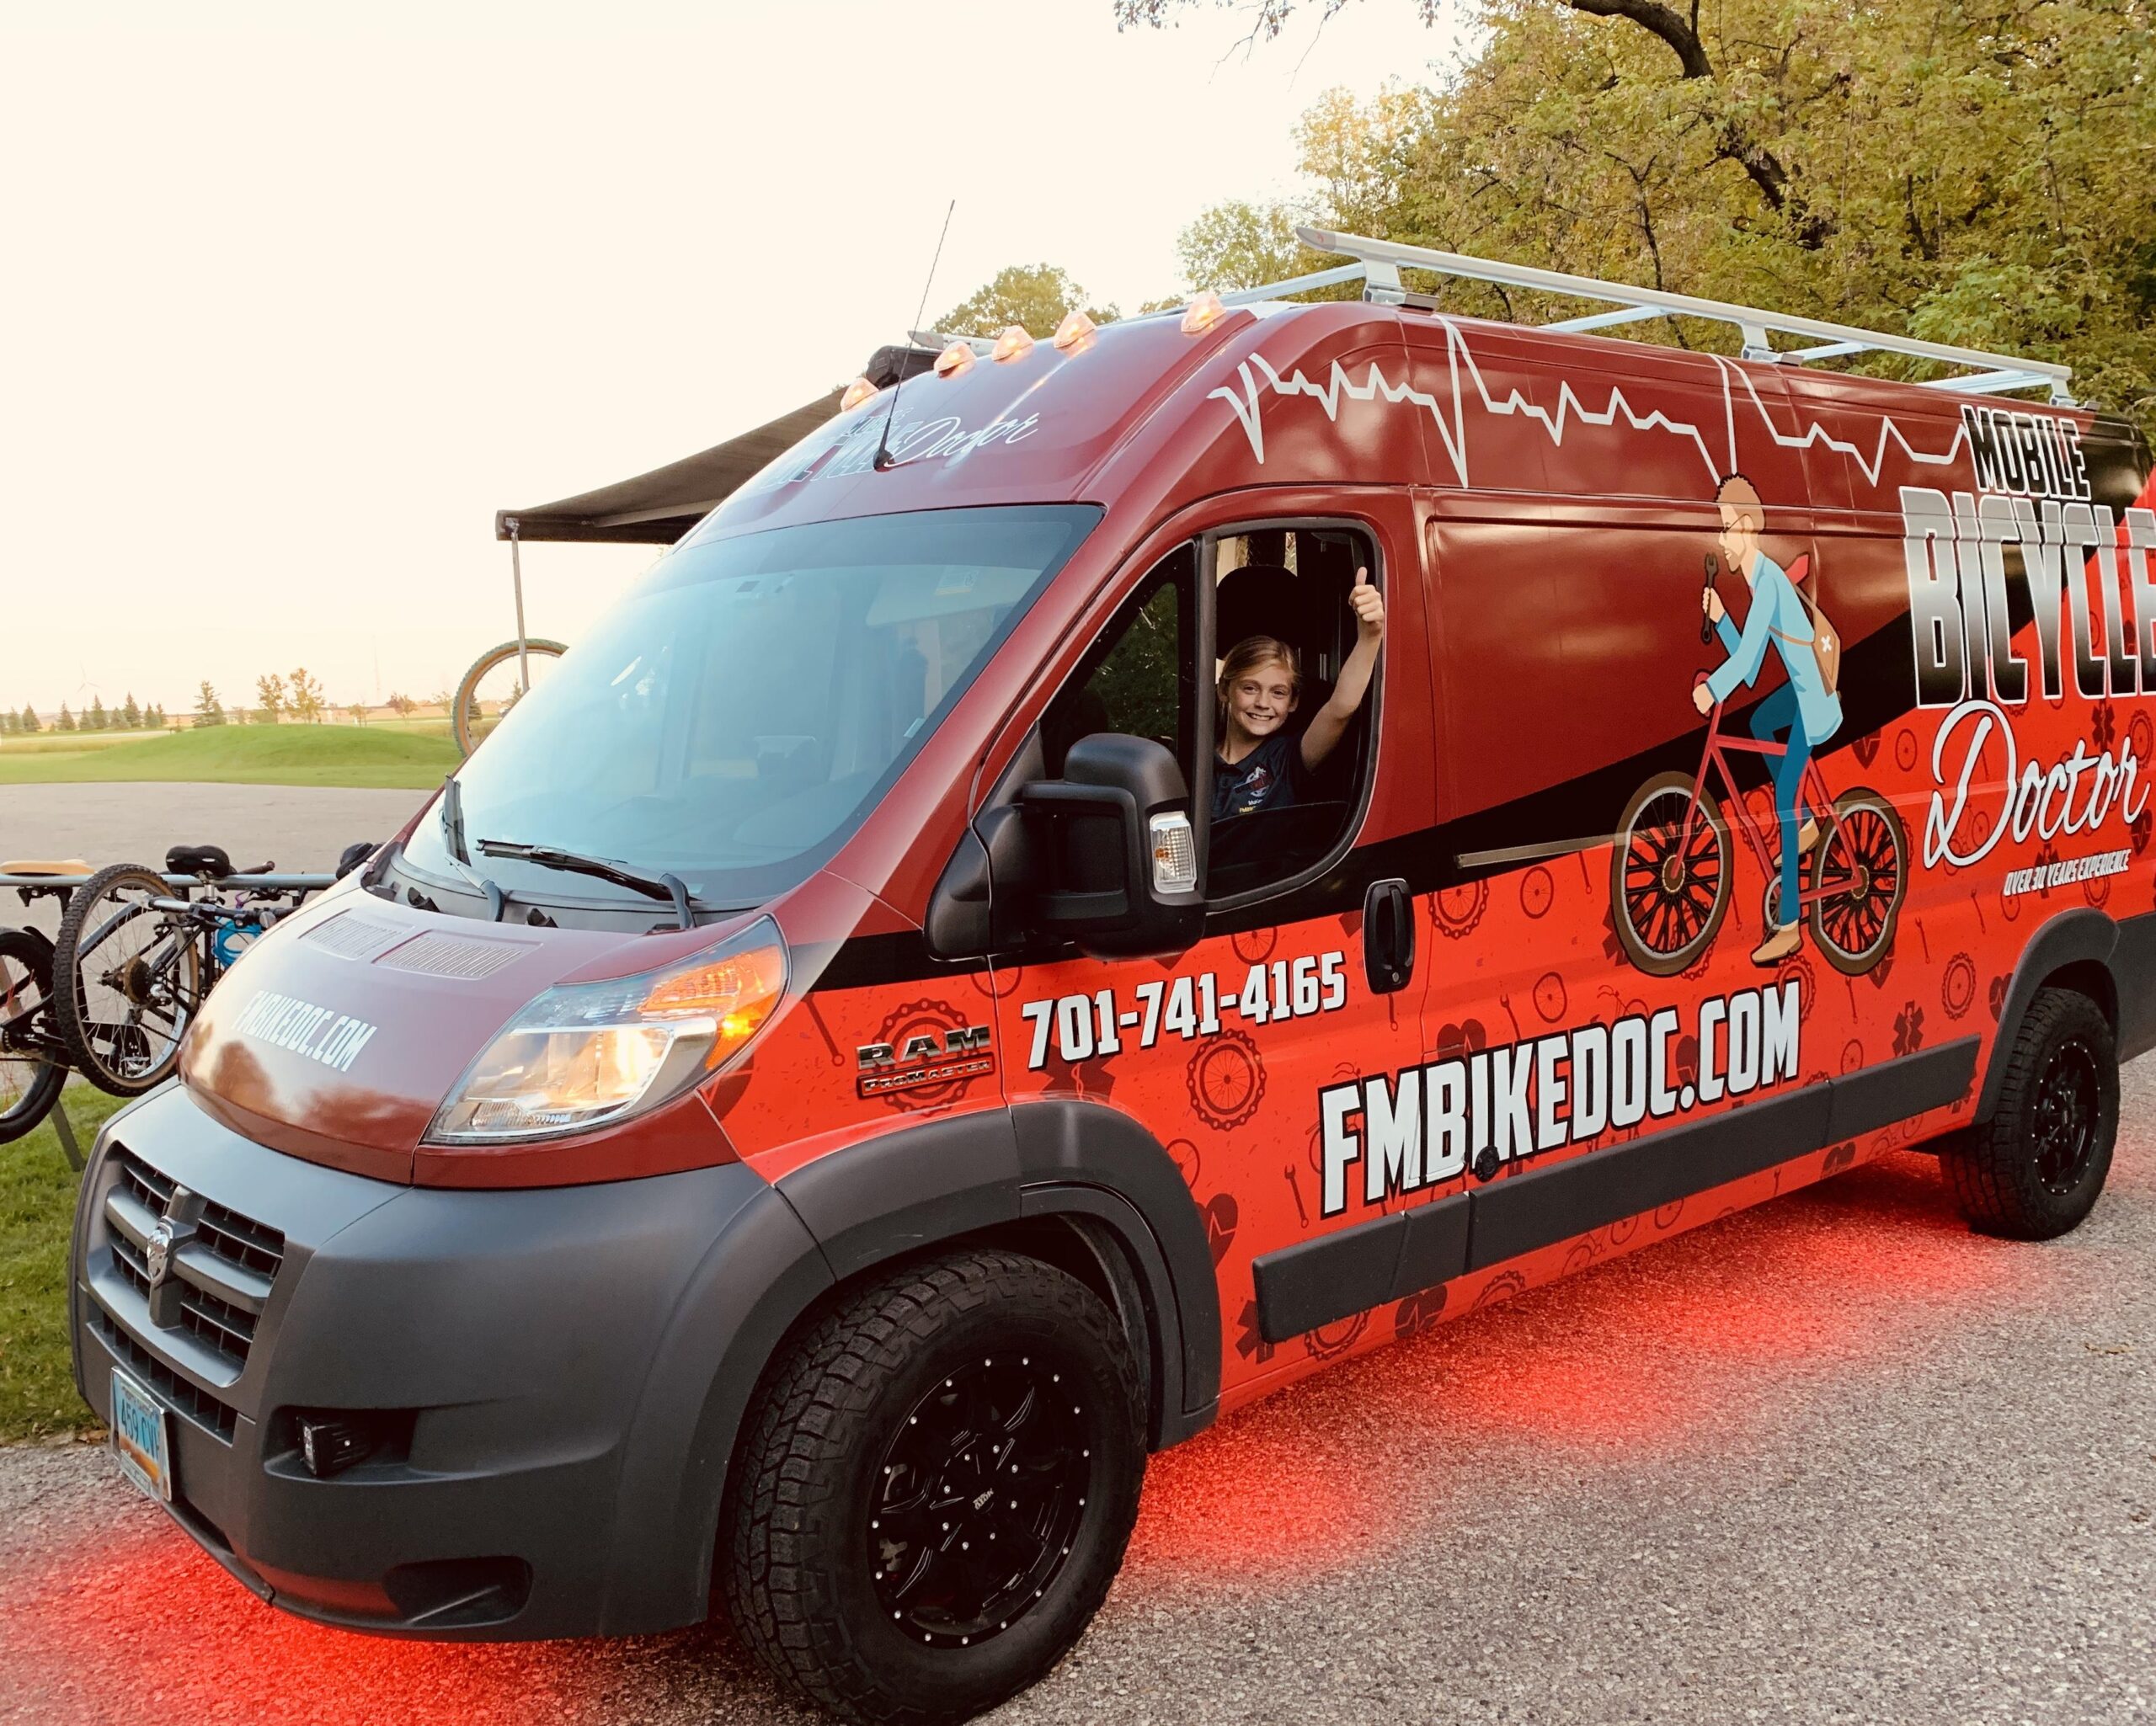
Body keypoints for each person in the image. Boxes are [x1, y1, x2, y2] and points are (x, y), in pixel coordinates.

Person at [1694, 473, 1842, 965]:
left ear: (1747, 527)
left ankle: (1790, 926)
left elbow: (1743, 664)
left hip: (1812, 700)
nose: (1722, 539)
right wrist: (1721, 622)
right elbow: (1753, 669)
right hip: (1797, 694)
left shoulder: (1771, 583)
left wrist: (1711, 688)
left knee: (1783, 797)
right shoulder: (1762, 582)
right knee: (1760, 723)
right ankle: (1803, 826)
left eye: (1725, 529)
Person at [1213, 567, 1385, 823]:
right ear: (1224, 690)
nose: (1263, 703)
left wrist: (1370, 637)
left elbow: (1340, 708)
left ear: (1293, 702)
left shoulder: (1288, 760)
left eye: (1278, 693)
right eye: (1250, 688)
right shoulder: (1194, 759)